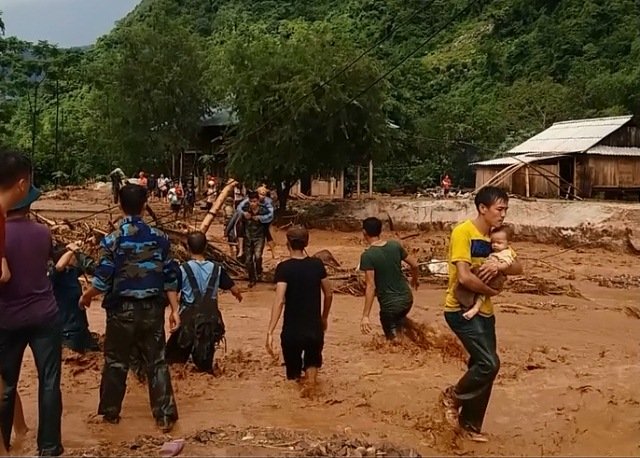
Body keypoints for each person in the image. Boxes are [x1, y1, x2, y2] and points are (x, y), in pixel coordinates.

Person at [79, 184, 180, 433]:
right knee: (156, 362)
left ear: (119, 204)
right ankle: (164, 417)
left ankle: (110, 415)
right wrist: (175, 310)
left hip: (121, 312)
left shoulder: (112, 240)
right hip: (152, 311)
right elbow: (170, 277)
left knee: (115, 362)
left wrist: (86, 297)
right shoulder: (160, 238)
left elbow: (102, 279)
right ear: (145, 205)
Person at [440, 186, 523, 443]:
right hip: (460, 309)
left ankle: (470, 425)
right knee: (490, 363)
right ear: (482, 208)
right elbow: (463, 276)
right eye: (499, 209)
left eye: (506, 209)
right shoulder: (463, 232)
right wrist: (490, 290)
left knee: (482, 365)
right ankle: (451, 396)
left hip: (485, 312)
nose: (503, 214)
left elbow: (518, 267)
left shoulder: (496, 237)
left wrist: (502, 263)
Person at [0, 185, 64, 456]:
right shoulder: (43, 232)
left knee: (6, 385)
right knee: (49, 381)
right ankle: (49, 447)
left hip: (7, 319)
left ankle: (4, 443)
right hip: (44, 315)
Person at [266, 226, 333, 395]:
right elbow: (329, 293)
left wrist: (270, 330)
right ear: (306, 243)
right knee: (312, 363)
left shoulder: (284, 268)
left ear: (287, 243)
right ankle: (311, 389)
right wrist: (324, 318)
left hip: (292, 330)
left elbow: (280, 300)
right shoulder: (317, 265)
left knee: (293, 376)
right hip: (314, 328)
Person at [166, 232, 243, 372]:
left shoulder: (182, 269)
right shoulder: (217, 269)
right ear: (206, 246)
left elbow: (171, 290)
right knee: (205, 364)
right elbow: (234, 289)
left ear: (187, 247)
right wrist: (238, 295)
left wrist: (174, 311)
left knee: (172, 360)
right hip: (211, 320)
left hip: (188, 321)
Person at [359, 217, 419, 340]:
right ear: (380, 230)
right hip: (407, 299)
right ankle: (420, 334)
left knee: (392, 341)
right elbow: (415, 265)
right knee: (399, 320)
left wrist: (365, 316)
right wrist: (414, 280)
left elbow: (371, 286)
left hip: (390, 306)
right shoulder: (394, 245)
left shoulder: (367, 256)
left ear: (364, 232)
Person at [455, 225, 515, 321]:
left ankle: (474, 307)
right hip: (488, 273)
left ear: (508, 243)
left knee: (480, 291)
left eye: (499, 243)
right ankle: (470, 303)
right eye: (493, 242)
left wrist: (497, 267)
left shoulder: (506, 253)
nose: (495, 245)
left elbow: (508, 264)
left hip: (496, 277)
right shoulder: (495, 251)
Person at [50, 242, 100, 353]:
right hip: (67, 332)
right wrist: (72, 250)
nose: (73, 259)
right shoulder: (54, 276)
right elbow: (59, 266)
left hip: (81, 328)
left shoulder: (72, 272)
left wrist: (82, 250)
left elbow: (89, 267)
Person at [240, 191, 270, 287]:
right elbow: (240, 226)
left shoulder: (263, 211)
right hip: (248, 238)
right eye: (251, 201)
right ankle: (252, 279)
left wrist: (261, 218)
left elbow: (268, 224)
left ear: (258, 201)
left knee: (257, 256)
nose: (253, 203)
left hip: (259, 237)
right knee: (248, 260)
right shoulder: (245, 211)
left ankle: (259, 270)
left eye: (255, 201)